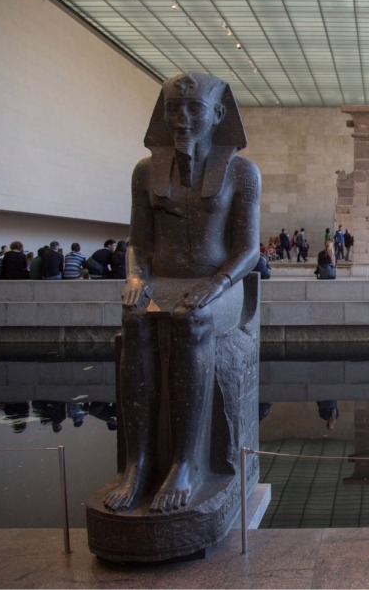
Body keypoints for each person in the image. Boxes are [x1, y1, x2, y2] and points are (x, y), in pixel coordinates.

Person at [103, 71, 261, 514]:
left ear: (218, 114)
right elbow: (139, 242)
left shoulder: (241, 171)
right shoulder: (145, 172)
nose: (182, 119)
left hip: (222, 282)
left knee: (192, 321)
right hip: (166, 280)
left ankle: (187, 463)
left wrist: (215, 284)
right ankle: (138, 464)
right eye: (174, 109)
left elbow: (247, 250)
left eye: (194, 109)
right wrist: (136, 280)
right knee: (135, 322)